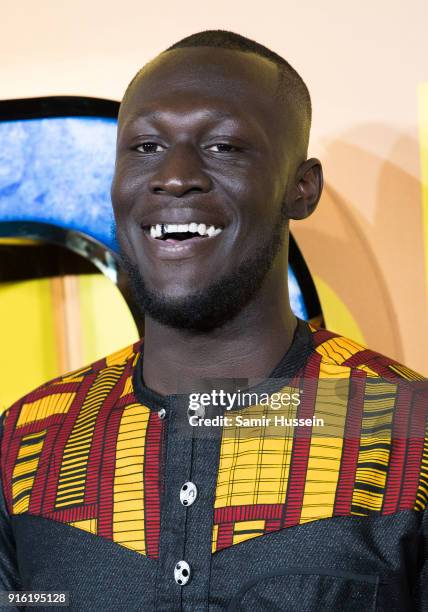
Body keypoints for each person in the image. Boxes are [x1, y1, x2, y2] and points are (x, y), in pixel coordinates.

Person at [0, 30, 427, 612]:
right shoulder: (28, 436)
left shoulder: (408, 425)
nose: (174, 176)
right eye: (145, 147)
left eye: (224, 146)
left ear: (301, 189)